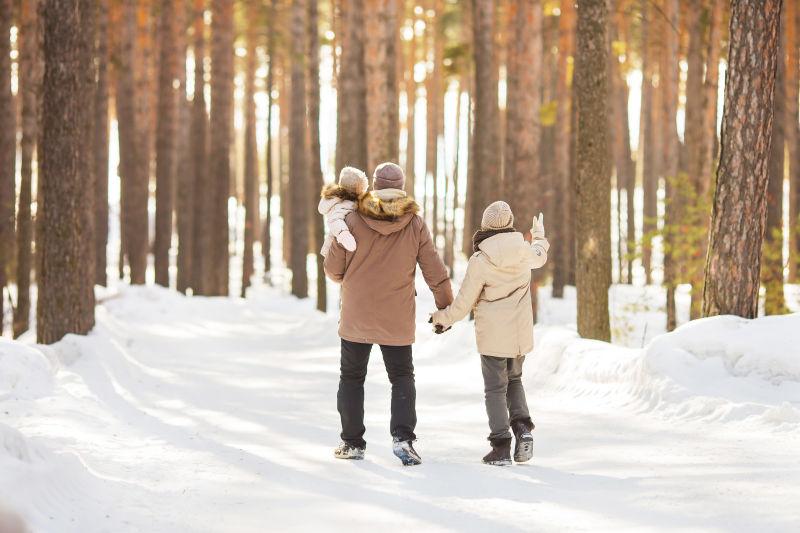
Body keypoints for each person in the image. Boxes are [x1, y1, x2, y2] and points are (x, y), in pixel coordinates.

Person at [324, 162, 453, 466]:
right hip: (396, 314)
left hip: (357, 313)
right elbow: (433, 269)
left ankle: (352, 442)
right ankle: (403, 439)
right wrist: (445, 306)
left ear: (375, 186)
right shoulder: (414, 223)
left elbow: (333, 270)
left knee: (352, 377)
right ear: (402, 186)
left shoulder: (352, 218)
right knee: (402, 376)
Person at [431, 201, 549, 466]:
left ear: (485, 225)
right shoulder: (523, 250)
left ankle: (500, 446)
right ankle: (523, 430)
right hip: (519, 334)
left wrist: (443, 319)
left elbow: (464, 301)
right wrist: (539, 235)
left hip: (494, 336)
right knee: (515, 380)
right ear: (509, 223)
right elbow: (540, 255)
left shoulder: (481, 259)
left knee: (495, 389)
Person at [317, 166, 369, 257]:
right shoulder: (345, 204)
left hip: (338, 250)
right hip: (336, 250)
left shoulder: (344, 201)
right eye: (363, 188)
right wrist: (344, 235)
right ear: (356, 189)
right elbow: (334, 219)